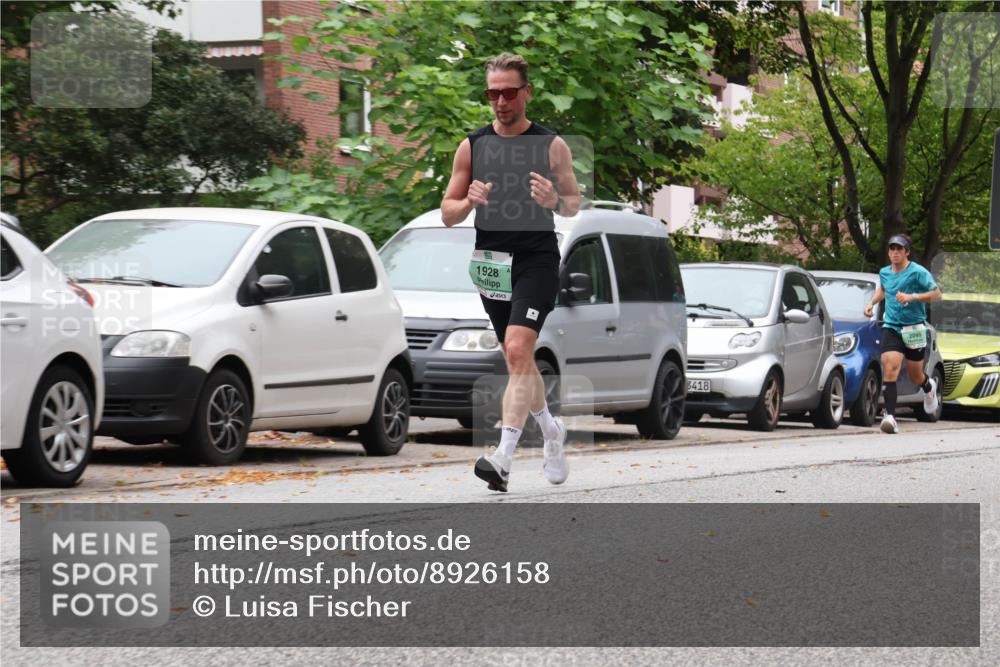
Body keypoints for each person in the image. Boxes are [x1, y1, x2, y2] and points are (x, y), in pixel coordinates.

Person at [441, 53, 581, 492]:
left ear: (526, 93)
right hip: (492, 264)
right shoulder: (472, 146)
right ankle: (551, 430)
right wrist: (469, 203)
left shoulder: (551, 145)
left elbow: (575, 201)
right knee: (517, 358)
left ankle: (502, 457)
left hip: (536, 259)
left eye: (507, 92)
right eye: (492, 93)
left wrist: (553, 202)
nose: (500, 101)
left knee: (519, 347)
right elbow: (448, 212)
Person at [863, 234, 942, 434]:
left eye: (899, 249)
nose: (895, 252)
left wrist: (912, 297)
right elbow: (883, 291)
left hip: (914, 328)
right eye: (892, 249)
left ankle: (928, 387)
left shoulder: (918, 272)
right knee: (890, 367)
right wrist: (871, 303)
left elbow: (937, 294)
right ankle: (890, 417)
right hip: (892, 327)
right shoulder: (884, 272)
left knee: (916, 376)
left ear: (907, 252)